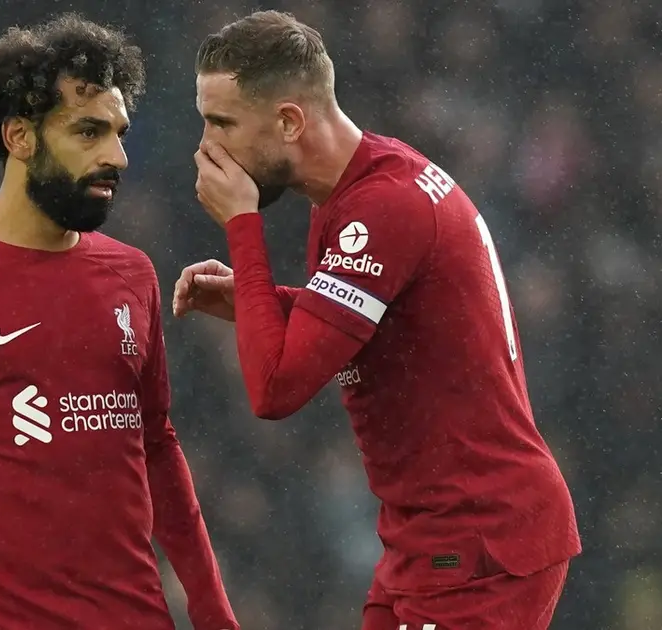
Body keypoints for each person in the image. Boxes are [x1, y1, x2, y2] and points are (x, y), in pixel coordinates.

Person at [174, 10, 581, 630]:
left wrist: (242, 226)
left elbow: (275, 388)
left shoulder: (380, 209)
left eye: (222, 123)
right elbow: (378, 324)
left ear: (289, 122)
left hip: (478, 546)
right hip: (431, 540)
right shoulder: (363, 189)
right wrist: (259, 301)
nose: (206, 149)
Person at [0, 14, 238, 630]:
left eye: (118, 133)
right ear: (20, 136)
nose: (116, 156)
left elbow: (158, 448)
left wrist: (216, 615)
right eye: (88, 131)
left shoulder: (133, 275)